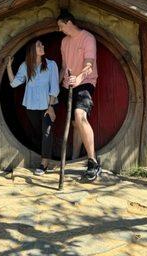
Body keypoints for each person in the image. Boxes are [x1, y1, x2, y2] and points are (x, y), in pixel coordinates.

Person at [57, 10, 101, 181]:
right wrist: (56, 89)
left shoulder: (87, 38)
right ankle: (75, 159)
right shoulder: (64, 42)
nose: (60, 29)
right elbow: (63, 67)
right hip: (68, 85)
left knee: (79, 115)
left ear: (69, 23)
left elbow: (89, 65)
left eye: (61, 26)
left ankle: (93, 162)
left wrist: (79, 78)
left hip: (85, 83)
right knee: (75, 123)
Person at [7, 39, 60, 175]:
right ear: (32, 49)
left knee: (46, 132)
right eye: (38, 45)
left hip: (47, 105)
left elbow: (54, 87)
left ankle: (44, 164)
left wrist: (51, 106)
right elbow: (14, 83)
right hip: (31, 106)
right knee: (39, 132)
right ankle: (46, 155)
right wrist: (8, 67)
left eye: (42, 44)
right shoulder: (25, 66)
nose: (42, 46)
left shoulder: (51, 65)